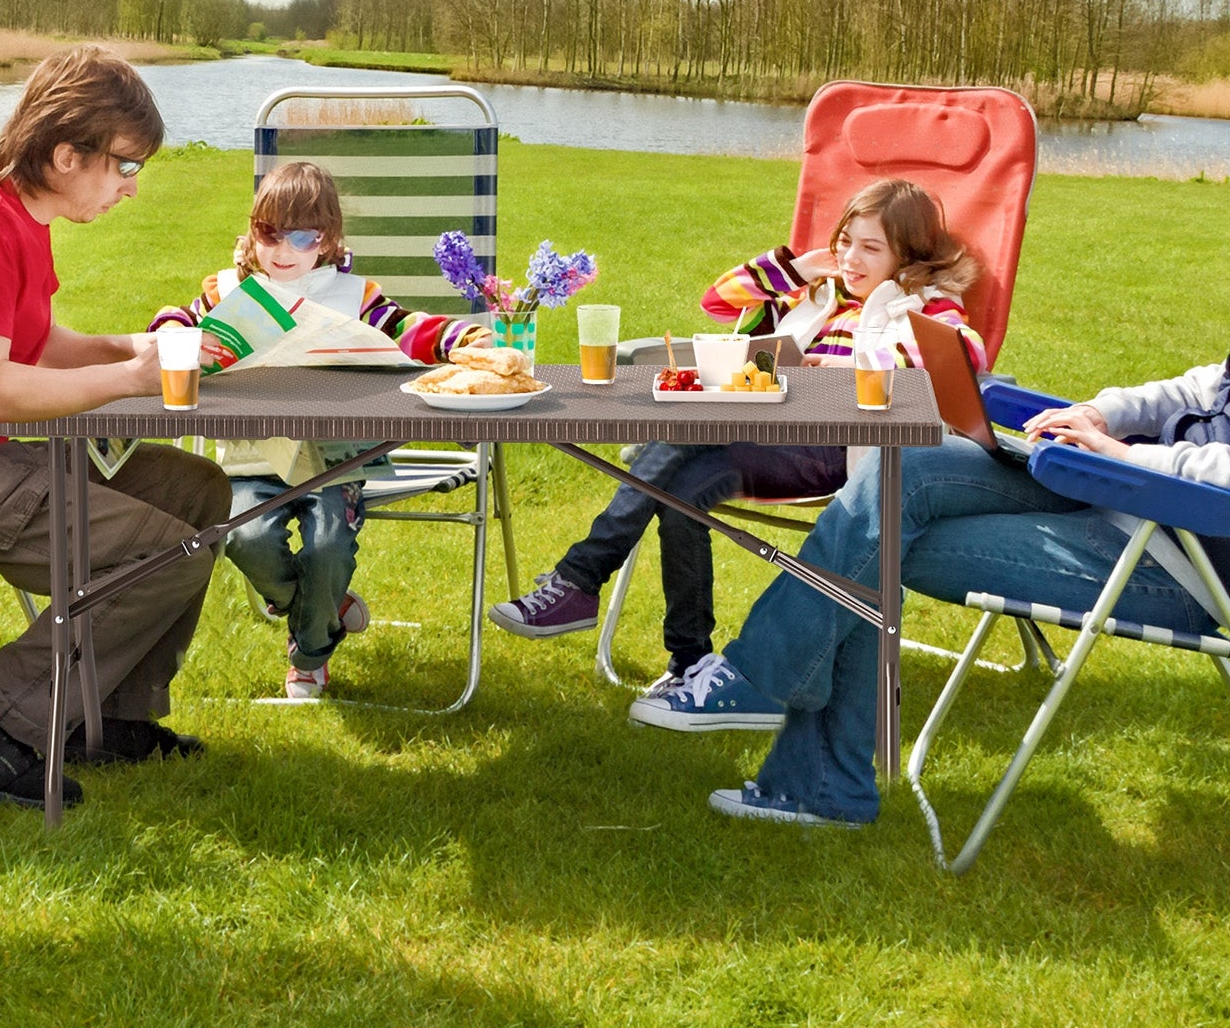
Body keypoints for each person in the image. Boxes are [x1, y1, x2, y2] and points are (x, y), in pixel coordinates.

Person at [0, 45, 231, 811]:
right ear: (65, 155)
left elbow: (38, 342)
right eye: (125, 166)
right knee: (168, 555)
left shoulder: (19, 218)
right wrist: (127, 380)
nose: (131, 187)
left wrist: (131, 348)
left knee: (197, 490)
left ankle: (101, 716)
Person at [487, 178, 987, 732]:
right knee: (680, 489)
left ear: (908, 256)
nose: (850, 258)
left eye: (871, 248)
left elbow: (965, 359)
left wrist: (850, 371)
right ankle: (689, 661)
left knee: (680, 430)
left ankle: (579, 580)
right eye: (845, 241)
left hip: (832, 451)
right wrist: (797, 269)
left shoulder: (923, 305)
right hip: (762, 434)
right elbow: (719, 301)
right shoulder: (818, 296)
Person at [702, 363, 1230, 826]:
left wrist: (1124, 455)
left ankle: (796, 744)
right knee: (899, 465)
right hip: (1108, 486)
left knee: (878, 538)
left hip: (1172, 559)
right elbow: (1197, 389)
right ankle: (792, 733)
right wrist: (1098, 414)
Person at [150, 161, 491, 699]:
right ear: (252, 230)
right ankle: (321, 605)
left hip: (335, 461)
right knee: (244, 537)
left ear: (327, 239)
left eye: (302, 236)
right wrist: (174, 330)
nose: (283, 249)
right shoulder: (228, 292)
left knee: (329, 546)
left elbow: (406, 328)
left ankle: (309, 656)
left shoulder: (353, 296)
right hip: (251, 460)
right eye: (269, 233)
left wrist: (462, 338)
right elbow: (177, 322)